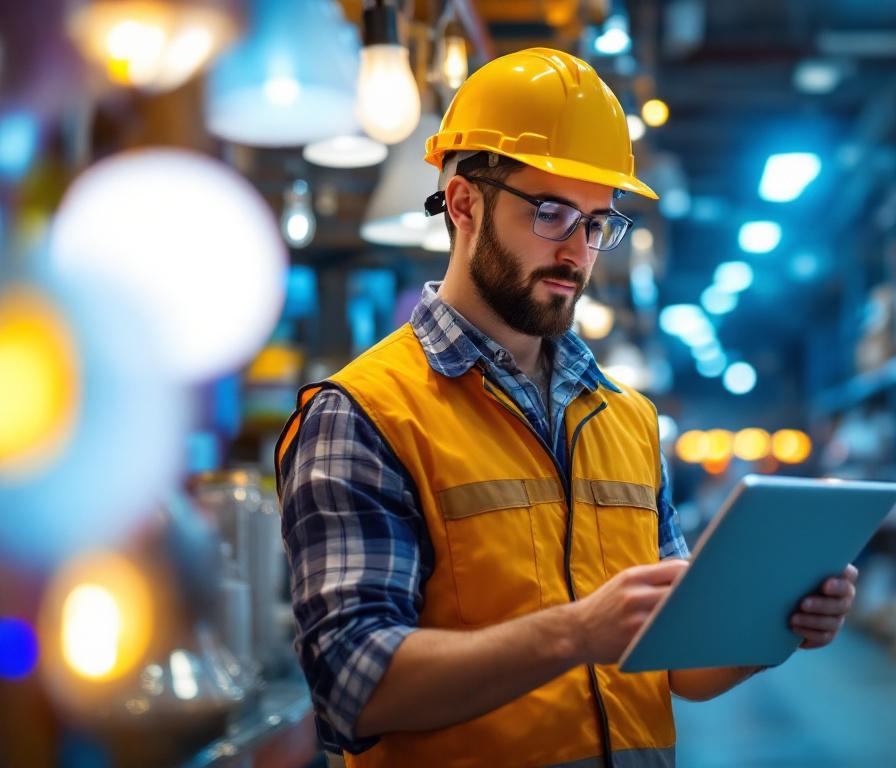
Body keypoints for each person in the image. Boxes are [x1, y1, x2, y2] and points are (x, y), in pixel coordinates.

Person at [275, 47, 858, 768]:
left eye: (597, 223)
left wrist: (775, 623)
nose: (578, 252)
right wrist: (575, 633)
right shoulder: (365, 414)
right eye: (551, 213)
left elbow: (679, 665)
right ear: (463, 204)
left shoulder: (628, 421)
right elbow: (350, 685)